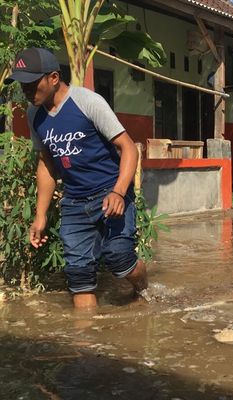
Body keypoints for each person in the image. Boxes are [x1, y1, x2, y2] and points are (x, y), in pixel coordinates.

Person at [4, 48, 147, 310]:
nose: (25, 90)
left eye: (31, 83)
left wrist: (118, 191)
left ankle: (143, 289)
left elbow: (128, 147)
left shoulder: (87, 102)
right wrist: (40, 215)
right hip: (74, 203)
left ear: (54, 78)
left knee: (119, 259)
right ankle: (86, 342)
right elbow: (47, 164)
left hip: (110, 194)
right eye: (21, 84)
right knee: (79, 275)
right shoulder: (35, 115)